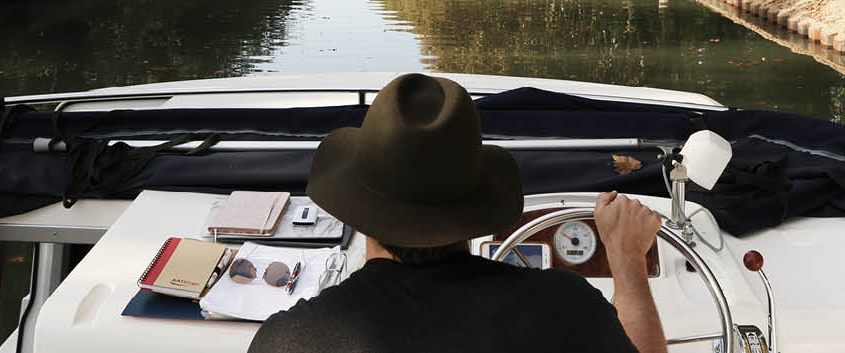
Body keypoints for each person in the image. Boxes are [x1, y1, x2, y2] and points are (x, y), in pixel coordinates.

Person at [248, 73, 666, 353]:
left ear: (357, 211)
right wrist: (627, 261)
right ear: (476, 207)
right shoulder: (569, 308)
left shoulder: (288, 341)